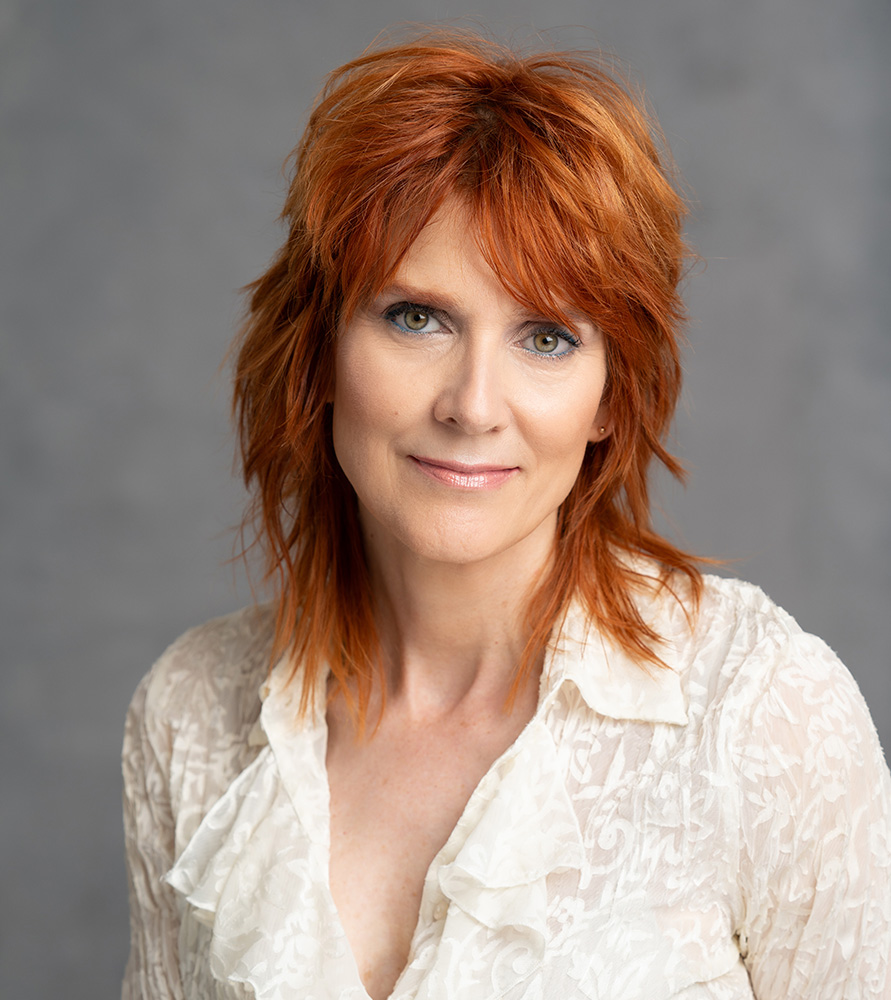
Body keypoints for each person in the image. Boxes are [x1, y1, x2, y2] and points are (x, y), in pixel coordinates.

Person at [121, 28, 891, 1000]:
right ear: (318, 351)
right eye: (416, 317)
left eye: (546, 337)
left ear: (611, 397)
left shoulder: (762, 712)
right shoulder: (189, 715)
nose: (474, 404)